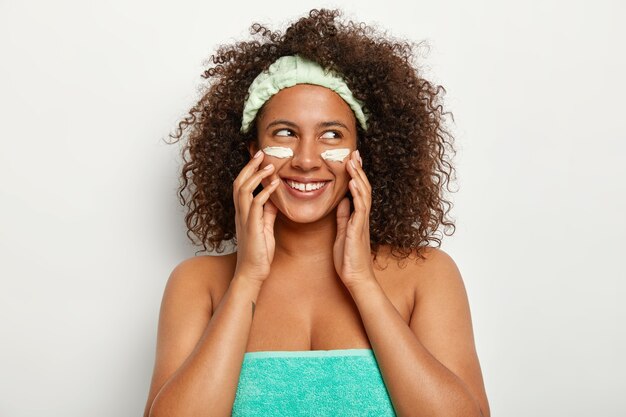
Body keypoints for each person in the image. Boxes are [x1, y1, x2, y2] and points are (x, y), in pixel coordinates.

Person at [143, 8, 490, 417]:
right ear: (253, 153)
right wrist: (247, 279)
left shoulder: (426, 274)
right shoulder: (199, 284)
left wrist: (362, 282)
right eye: (285, 133)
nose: (307, 160)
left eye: (331, 135)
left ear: (360, 154)